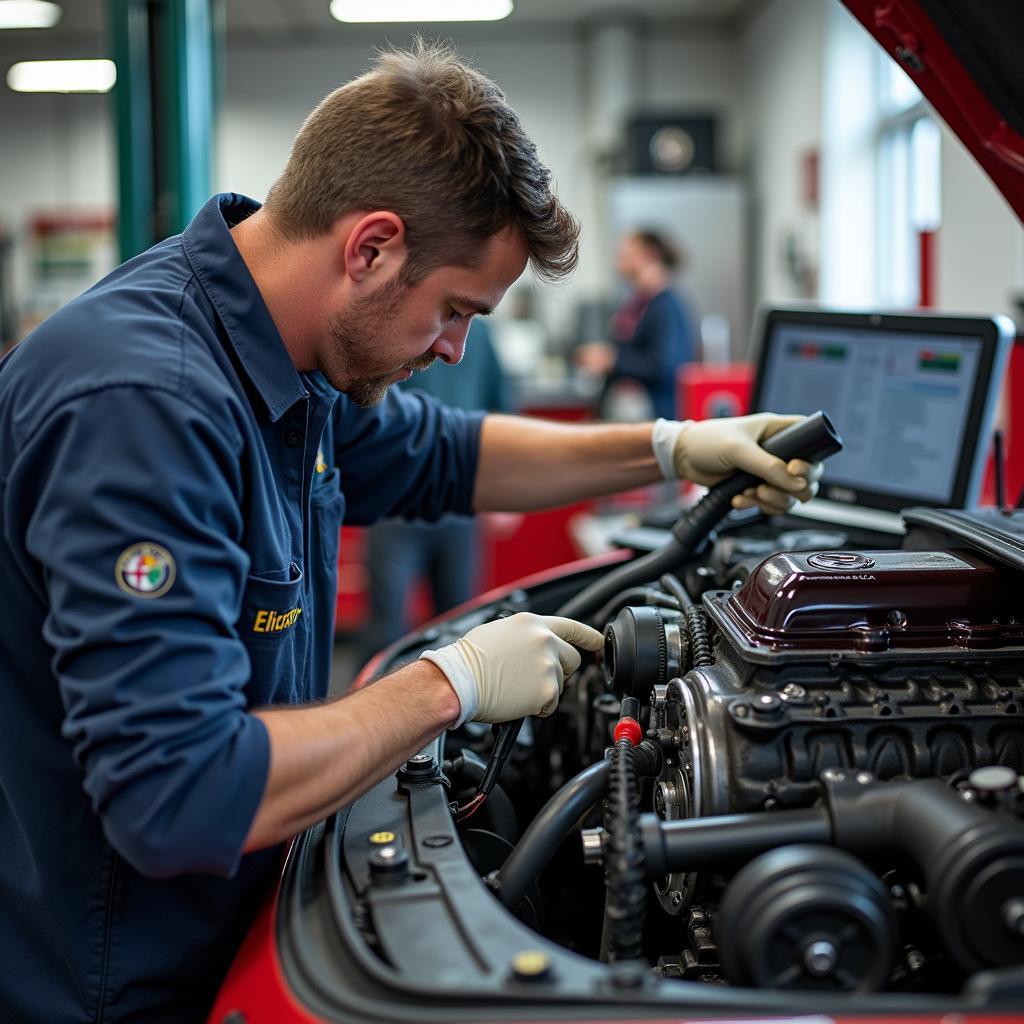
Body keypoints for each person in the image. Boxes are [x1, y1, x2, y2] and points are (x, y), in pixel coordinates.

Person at [0, 42, 820, 1023]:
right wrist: (449, 684)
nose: (454, 349)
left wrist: (673, 446)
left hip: (213, 932)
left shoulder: (275, 347)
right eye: (454, 311)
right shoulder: (145, 407)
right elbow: (176, 793)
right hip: (115, 986)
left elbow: (448, 453)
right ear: (372, 247)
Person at [360, 316, 509, 664]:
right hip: (396, 500)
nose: (452, 348)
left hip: (458, 499)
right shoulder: (403, 323)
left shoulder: (480, 335)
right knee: (386, 627)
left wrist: (501, 494)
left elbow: (499, 401)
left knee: (460, 626)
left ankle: (455, 716)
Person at [578, 228, 695, 420]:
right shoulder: (637, 303)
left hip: (655, 418)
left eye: (626, 254)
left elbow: (665, 366)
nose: (618, 261)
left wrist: (611, 360)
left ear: (650, 255)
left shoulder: (667, 307)